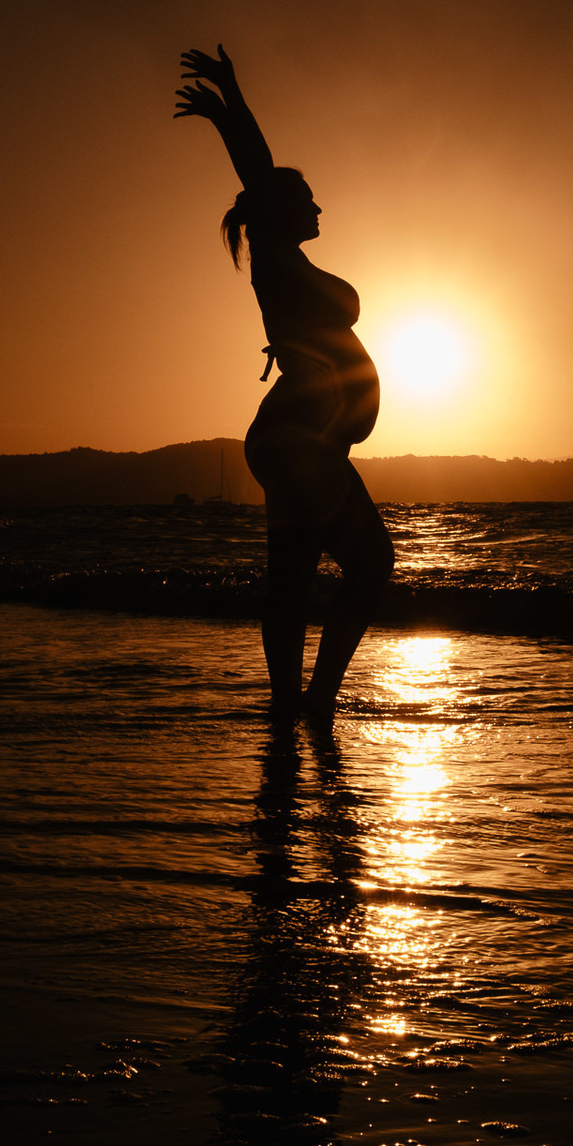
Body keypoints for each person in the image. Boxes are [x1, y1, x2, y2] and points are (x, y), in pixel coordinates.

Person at [175, 45, 394, 720]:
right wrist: (232, 105)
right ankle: (316, 705)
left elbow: (265, 177)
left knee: (291, 588)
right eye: (307, 198)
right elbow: (261, 171)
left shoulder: (287, 262)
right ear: (281, 210)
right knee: (373, 565)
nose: (318, 204)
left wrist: (228, 107)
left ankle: (289, 710)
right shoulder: (276, 257)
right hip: (298, 441)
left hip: (293, 441)